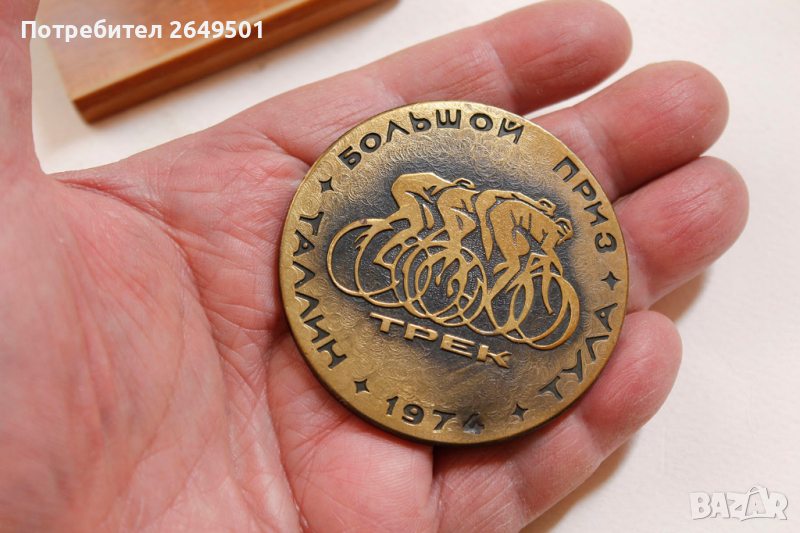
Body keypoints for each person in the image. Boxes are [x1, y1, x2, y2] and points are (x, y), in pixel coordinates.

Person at [0, 0, 749, 531]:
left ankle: (413, 251)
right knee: (452, 243)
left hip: (436, 201)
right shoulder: (496, 207)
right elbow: (491, 234)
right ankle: (413, 254)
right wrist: (464, 252)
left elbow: (526, 245)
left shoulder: (529, 217)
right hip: (427, 198)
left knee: (466, 245)